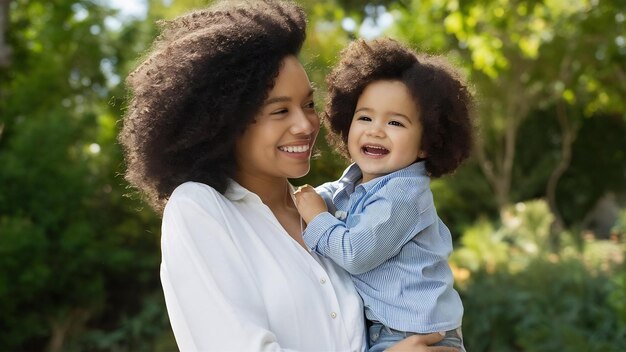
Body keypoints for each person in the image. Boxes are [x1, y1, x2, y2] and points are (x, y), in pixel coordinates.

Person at [118, 0, 459, 351]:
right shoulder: (200, 209)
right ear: (226, 121)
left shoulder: (328, 209)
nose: (306, 124)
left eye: (309, 104)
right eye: (280, 110)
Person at [293, 38, 473, 352]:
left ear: (426, 144)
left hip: (417, 337)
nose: (376, 130)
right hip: (388, 333)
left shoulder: (403, 197)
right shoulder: (359, 184)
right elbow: (335, 196)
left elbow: (355, 254)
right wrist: (307, 198)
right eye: (365, 117)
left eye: (395, 122)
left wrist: (317, 217)